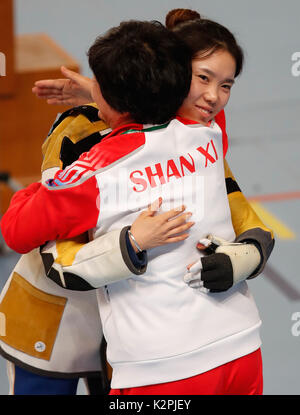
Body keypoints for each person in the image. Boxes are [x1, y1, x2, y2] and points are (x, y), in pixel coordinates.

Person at [1, 14, 274, 395]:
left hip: (158, 367)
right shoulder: (206, 134)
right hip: (241, 349)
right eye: (203, 79)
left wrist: (39, 188)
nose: (211, 96)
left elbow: (18, 229)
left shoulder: (96, 168)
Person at [0, 105, 193, 395]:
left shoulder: (194, 133)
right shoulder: (82, 129)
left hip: (131, 333)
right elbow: (23, 229)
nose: (212, 98)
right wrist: (131, 243)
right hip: (50, 325)